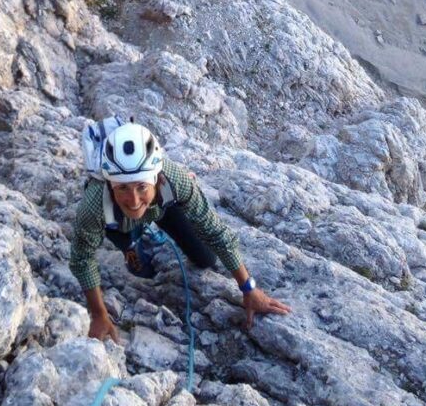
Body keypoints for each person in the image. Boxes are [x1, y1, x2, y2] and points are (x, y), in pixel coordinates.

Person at [69, 121, 291, 342]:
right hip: (117, 222)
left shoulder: (174, 181)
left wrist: (248, 288)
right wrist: (98, 314)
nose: (134, 199)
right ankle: (131, 245)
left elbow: (214, 230)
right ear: (110, 184)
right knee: (140, 268)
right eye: (123, 188)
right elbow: (82, 258)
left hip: (162, 208)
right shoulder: (94, 204)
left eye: (141, 186)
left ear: (156, 178)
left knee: (205, 258)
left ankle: (141, 232)